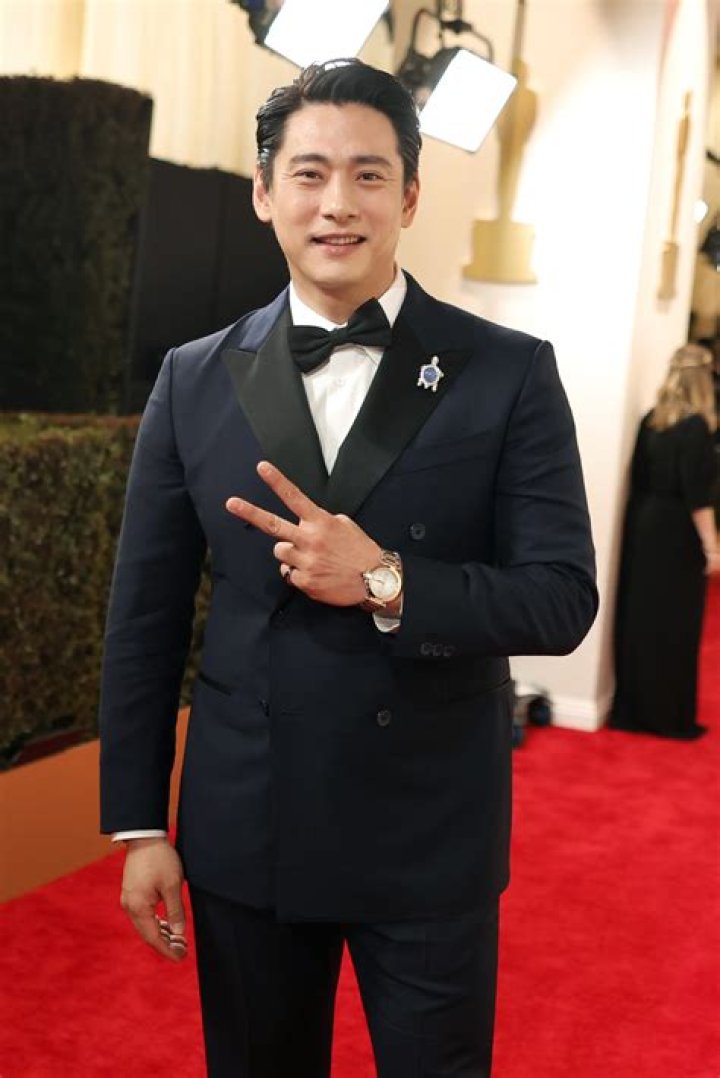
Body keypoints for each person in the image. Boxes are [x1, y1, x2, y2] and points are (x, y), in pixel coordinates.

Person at [100, 59, 597, 1078]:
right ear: (263, 192)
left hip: (428, 830)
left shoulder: (508, 372)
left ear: (409, 196)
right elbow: (145, 621)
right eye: (310, 173)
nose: (338, 203)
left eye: (369, 175)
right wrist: (139, 825)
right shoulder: (192, 379)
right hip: (249, 823)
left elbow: (561, 598)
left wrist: (388, 580)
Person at [609, 343, 719, 740]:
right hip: (676, 532)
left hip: (644, 524)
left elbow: (639, 477)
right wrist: (712, 547)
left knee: (641, 618)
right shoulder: (696, 428)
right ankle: (668, 717)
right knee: (675, 623)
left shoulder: (650, 420)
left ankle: (634, 711)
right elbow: (697, 495)